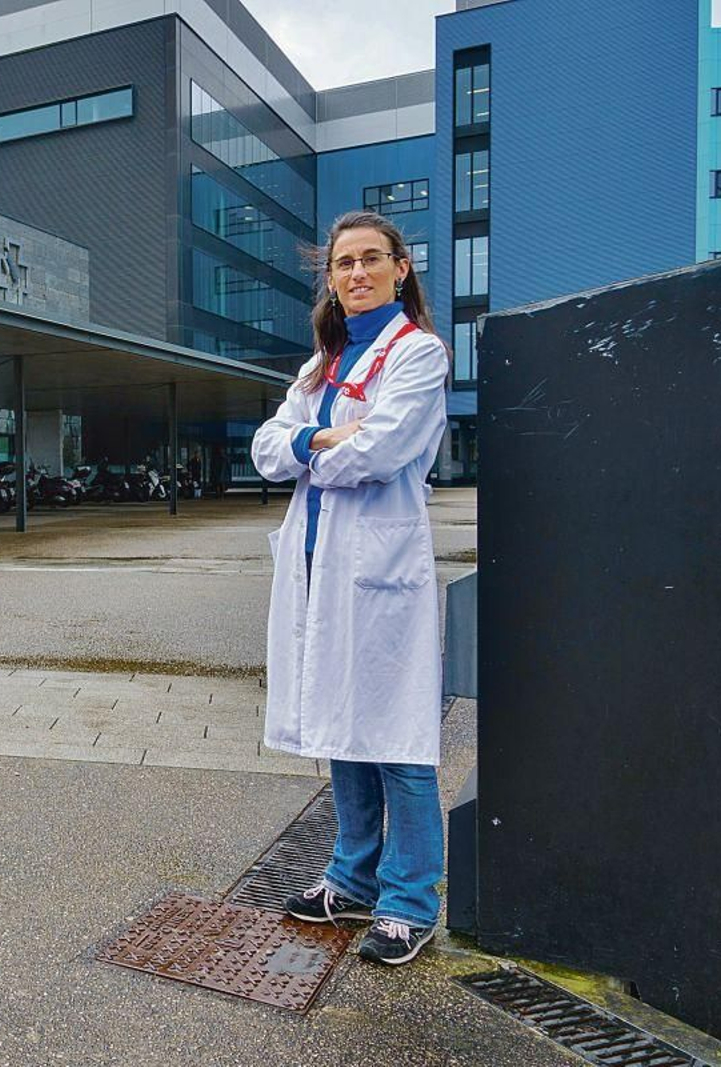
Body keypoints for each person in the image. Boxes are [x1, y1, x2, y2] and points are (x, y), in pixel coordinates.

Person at [250, 211, 450, 967]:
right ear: (330, 279)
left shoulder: (418, 354)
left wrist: (325, 448)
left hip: (378, 568)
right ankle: (351, 877)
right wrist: (315, 440)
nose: (358, 273)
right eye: (344, 264)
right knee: (343, 729)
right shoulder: (321, 365)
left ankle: (407, 899)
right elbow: (269, 448)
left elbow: (384, 449)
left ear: (401, 268)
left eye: (372, 259)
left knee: (397, 737)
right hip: (318, 567)